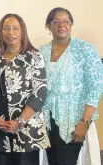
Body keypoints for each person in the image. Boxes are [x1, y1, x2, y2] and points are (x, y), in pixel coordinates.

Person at [39, 7, 103, 165]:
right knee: (52, 161)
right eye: (56, 21)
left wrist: (84, 122)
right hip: (47, 120)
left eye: (66, 21)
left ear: (71, 25)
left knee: (66, 161)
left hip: (74, 119)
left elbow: (96, 86)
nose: (62, 25)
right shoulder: (42, 51)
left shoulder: (85, 49)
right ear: (49, 26)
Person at [0, 14, 49, 165]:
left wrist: (20, 122)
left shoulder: (34, 56)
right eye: (6, 28)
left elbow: (40, 92)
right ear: (1, 32)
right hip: (1, 129)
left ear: (22, 31)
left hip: (27, 130)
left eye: (15, 28)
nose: (10, 32)